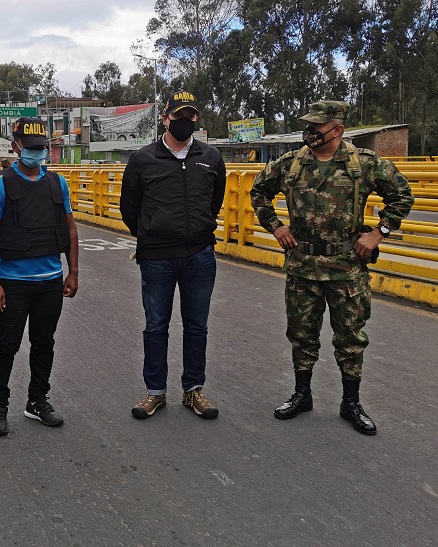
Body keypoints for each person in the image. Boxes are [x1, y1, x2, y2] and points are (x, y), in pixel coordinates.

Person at [250, 100, 414, 435]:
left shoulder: (363, 164)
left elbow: (402, 195)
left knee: (350, 337)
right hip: (302, 266)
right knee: (301, 335)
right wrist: (275, 227)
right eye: (308, 126)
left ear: (337, 129)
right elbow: (259, 191)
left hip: (347, 268)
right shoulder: (291, 163)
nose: (309, 132)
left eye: (317, 127)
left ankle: (350, 403)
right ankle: (302, 394)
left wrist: (378, 233)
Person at [120, 91, 227, 420]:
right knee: (155, 326)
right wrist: (150, 233)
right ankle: (155, 392)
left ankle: (193, 390)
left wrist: (197, 229)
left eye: (190, 116)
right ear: (165, 119)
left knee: (197, 327)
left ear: (196, 119)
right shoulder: (142, 159)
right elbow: (129, 208)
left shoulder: (211, 157)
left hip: (200, 255)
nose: (185, 121)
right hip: (157, 257)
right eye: (178, 115)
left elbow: (214, 202)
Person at [0, 116, 79, 436]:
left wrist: (73, 271)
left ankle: (37, 400)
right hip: (13, 283)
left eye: (41, 147)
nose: (37, 152)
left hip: (50, 281)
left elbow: (70, 229)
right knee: (6, 345)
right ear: (16, 147)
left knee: (44, 343)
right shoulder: (0, 184)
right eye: (31, 147)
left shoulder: (58, 183)